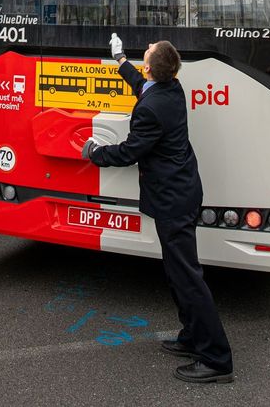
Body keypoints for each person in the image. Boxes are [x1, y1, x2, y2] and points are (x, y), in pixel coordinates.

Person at [81, 33, 234, 384]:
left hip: (173, 199)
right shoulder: (170, 89)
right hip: (179, 193)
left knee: (188, 278)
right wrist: (120, 60)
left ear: (150, 67)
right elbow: (142, 84)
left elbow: (130, 151)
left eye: (145, 54)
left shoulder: (151, 108)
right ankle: (192, 336)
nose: (143, 52)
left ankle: (217, 359)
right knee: (176, 273)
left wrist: (94, 153)